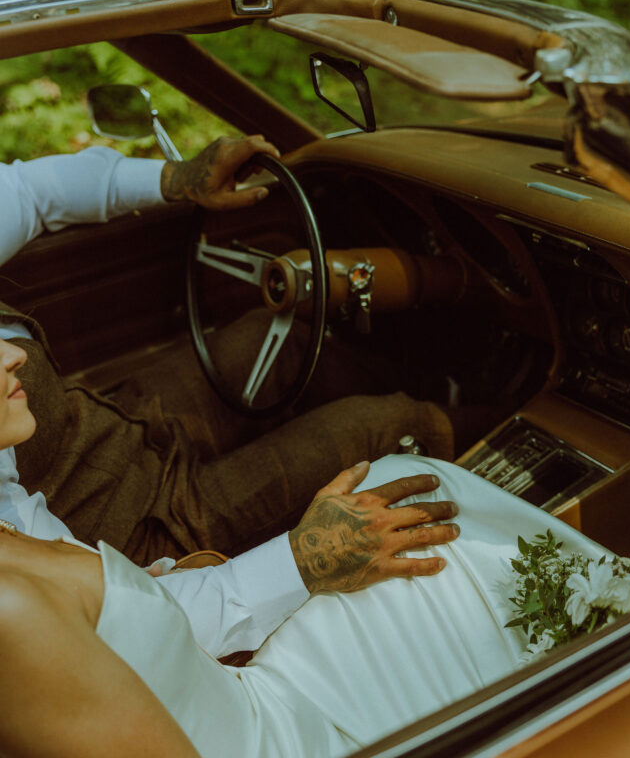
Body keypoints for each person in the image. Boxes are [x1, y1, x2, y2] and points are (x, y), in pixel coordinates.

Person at [0, 336, 611, 758]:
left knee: (404, 483)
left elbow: (107, 626)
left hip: (220, 688)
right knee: (434, 508)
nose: (14, 353)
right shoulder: (12, 618)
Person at [0, 136, 497, 601]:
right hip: (142, 533)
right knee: (390, 426)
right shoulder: (15, 539)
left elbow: (27, 192)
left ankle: (450, 390)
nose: (15, 356)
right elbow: (109, 606)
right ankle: (504, 427)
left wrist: (178, 179)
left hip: (116, 428)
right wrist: (302, 560)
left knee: (276, 339)